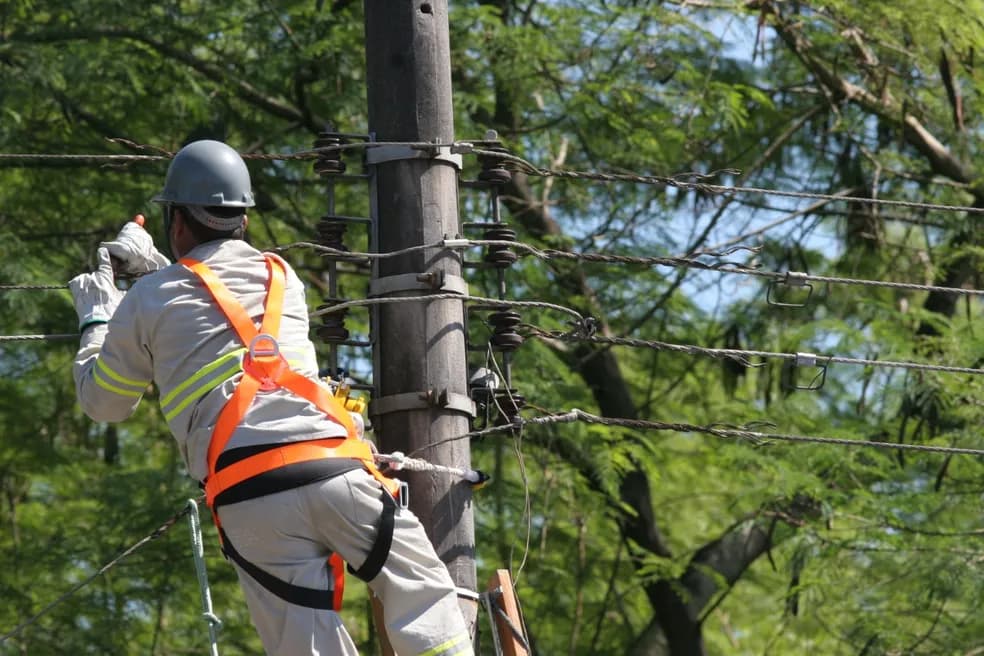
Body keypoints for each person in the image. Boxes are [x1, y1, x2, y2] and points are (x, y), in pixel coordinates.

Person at [68, 139, 474, 656]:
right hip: (333, 471)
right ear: (243, 220)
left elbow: (106, 402)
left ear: (176, 223)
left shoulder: (150, 299)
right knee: (424, 598)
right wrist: (158, 272)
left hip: (250, 500)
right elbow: (213, 303)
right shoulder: (283, 276)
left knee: (306, 646)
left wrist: (99, 317)